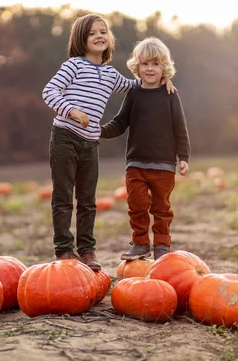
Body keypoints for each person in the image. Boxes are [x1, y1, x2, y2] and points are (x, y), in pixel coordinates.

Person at [42, 14, 174, 270]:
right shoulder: (73, 66)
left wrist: (161, 79)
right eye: (92, 33)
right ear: (81, 39)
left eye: (103, 31)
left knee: (88, 200)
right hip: (65, 138)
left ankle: (87, 251)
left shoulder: (110, 74)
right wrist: (71, 110)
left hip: (90, 143)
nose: (99, 36)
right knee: (63, 197)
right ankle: (64, 250)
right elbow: (49, 92)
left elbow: (138, 84)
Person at [100, 37, 190, 261]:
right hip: (136, 163)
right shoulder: (134, 93)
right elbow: (121, 122)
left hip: (164, 164)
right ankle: (140, 243)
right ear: (137, 67)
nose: (150, 69)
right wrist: (99, 130)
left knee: (162, 208)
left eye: (156, 64)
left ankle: (161, 244)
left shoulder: (170, 95)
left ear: (164, 68)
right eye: (145, 64)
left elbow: (180, 127)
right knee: (136, 205)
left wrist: (183, 156)